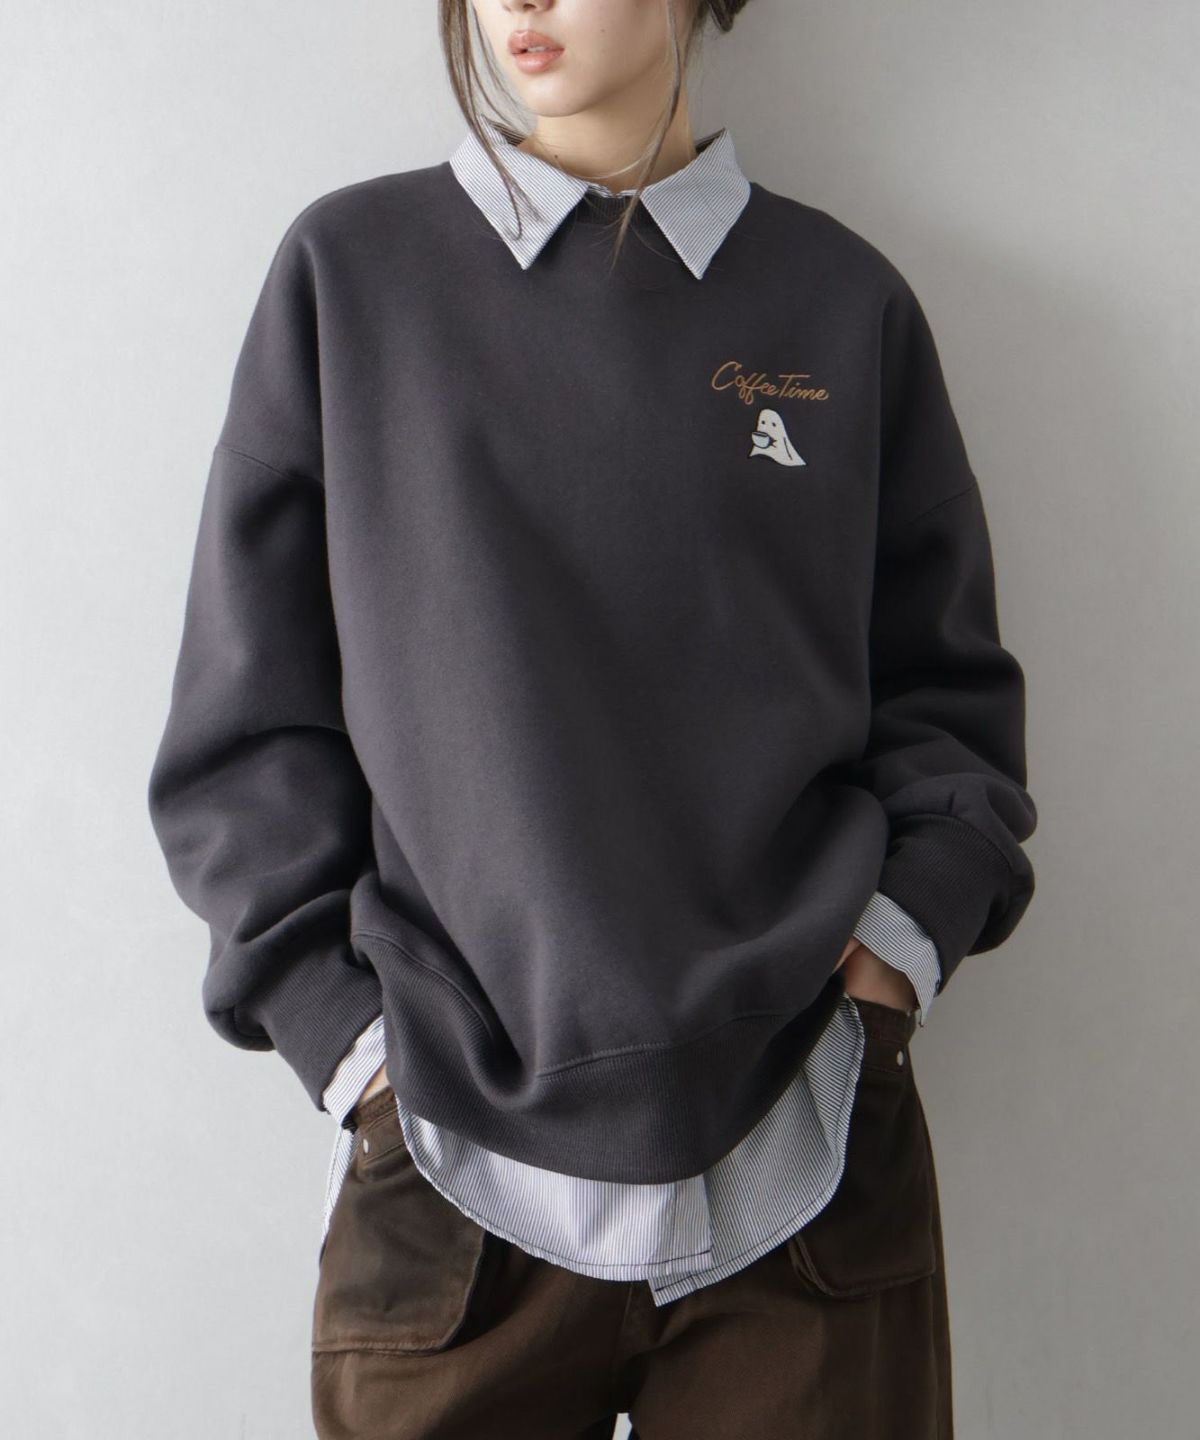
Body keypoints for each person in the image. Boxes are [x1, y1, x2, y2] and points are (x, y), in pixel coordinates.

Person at [146, 1, 1037, 1435]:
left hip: (807, 1153)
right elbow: (244, 733)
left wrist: (890, 966)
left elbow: (949, 705)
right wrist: (352, 1050)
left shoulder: (842, 304)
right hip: (445, 1166)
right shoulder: (352, 277)